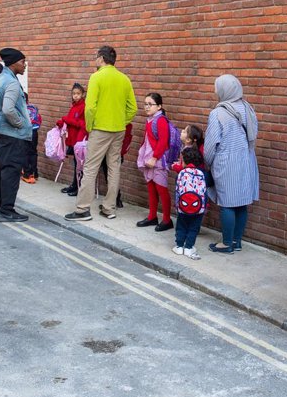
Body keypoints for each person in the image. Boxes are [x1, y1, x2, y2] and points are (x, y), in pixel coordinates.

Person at [64, 45, 137, 221]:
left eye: (96, 56)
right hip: (118, 129)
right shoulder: (124, 79)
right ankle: (109, 207)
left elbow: (90, 107)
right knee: (114, 168)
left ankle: (82, 209)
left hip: (100, 129)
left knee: (90, 168)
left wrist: (90, 126)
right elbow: (132, 108)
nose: (95, 59)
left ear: (102, 59)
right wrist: (121, 121)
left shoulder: (96, 77)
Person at [204, 74, 259, 254]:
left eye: (217, 87)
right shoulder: (247, 108)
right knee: (241, 203)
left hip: (227, 163)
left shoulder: (217, 113)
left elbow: (211, 144)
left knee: (227, 203)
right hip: (246, 160)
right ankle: (236, 241)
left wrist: (208, 163)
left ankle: (226, 243)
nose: (215, 91)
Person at [0, 47, 32, 223]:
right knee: (11, 172)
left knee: (0, 170)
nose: (24, 65)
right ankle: (7, 210)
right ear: (13, 64)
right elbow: (8, 109)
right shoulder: (11, 83)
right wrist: (20, 124)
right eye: (22, 62)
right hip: (12, 135)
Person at [135, 92, 173, 231]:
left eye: (150, 104)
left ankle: (167, 220)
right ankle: (152, 217)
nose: (147, 107)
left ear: (159, 106)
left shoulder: (161, 120)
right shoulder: (150, 120)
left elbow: (163, 142)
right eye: (145, 104)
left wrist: (154, 157)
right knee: (151, 189)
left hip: (158, 161)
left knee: (162, 190)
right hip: (149, 160)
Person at [171, 147, 207, 260]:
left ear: (185, 161)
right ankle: (189, 247)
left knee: (181, 226)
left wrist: (177, 205)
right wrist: (204, 207)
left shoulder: (182, 173)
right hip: (198, 208)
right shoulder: (201, 174)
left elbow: (177, 191)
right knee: (193, 228)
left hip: (183, 206)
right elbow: (204, 192)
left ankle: (179, 246)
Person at [57, 83, 88, 196]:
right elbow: (69, 120)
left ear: (83, 94)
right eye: (74, 93)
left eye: (78, 94)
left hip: (79, 140)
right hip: (73, 139)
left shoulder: (84, 107)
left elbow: (83, 124)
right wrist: (62, 122)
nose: (75, 96)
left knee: (80, 165)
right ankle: (74, 185)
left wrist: (67, 120)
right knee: (76, 164)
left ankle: (79, 188)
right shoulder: (74, 106)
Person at [22, 92, 42, 183]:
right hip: (34, 132)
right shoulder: (33, 107)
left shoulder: (20, 109)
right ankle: (34, 173)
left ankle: (27, 174)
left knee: (25, 153)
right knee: (33, 152)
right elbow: (39, 119)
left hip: (25, 132)